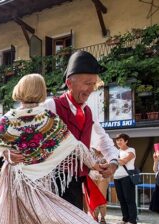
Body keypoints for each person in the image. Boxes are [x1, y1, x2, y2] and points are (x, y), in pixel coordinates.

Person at [0, 74, 148, 224]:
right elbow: (75, 146)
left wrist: (8, 154)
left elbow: (1, 146)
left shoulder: (8, 117)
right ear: (42, 92)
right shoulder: (48, 118)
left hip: (12, 183)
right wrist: (96, 164)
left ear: (19, 90)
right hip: (40, 184)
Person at [8, 51, 119, 211]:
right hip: (52, 182)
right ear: (69, 83)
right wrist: (12, 151)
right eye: (87, 83)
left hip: (76, 182)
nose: (91, 89)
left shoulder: (88, 112)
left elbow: (103, 140)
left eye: (93, 84)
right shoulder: (51, 106)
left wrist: (114, 163)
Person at [114, 133, 138, 224]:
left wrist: (113, 159)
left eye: (121, 140)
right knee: (122, 200)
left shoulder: (131, 150)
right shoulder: (115, 151)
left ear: (126, 141)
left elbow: (124, 161)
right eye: (117, 140)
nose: (118, 142)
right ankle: (125, 219)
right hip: (116, 177)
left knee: (129, 199)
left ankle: (132, 221)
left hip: (127, 177)